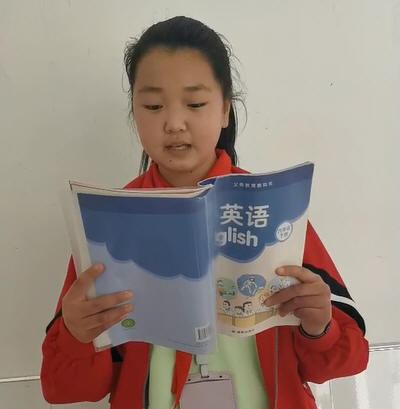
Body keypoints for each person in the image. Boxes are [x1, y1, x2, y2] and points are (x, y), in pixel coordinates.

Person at [41, 16, 368, 409]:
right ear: (134, 112)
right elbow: (64, 387)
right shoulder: (108, 221)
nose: (174, 123)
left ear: (225, 109)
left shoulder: (272, 212)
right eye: (153, 105)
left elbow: (344, 361)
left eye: (195, 104)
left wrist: (320, 326)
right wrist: (76, 334)